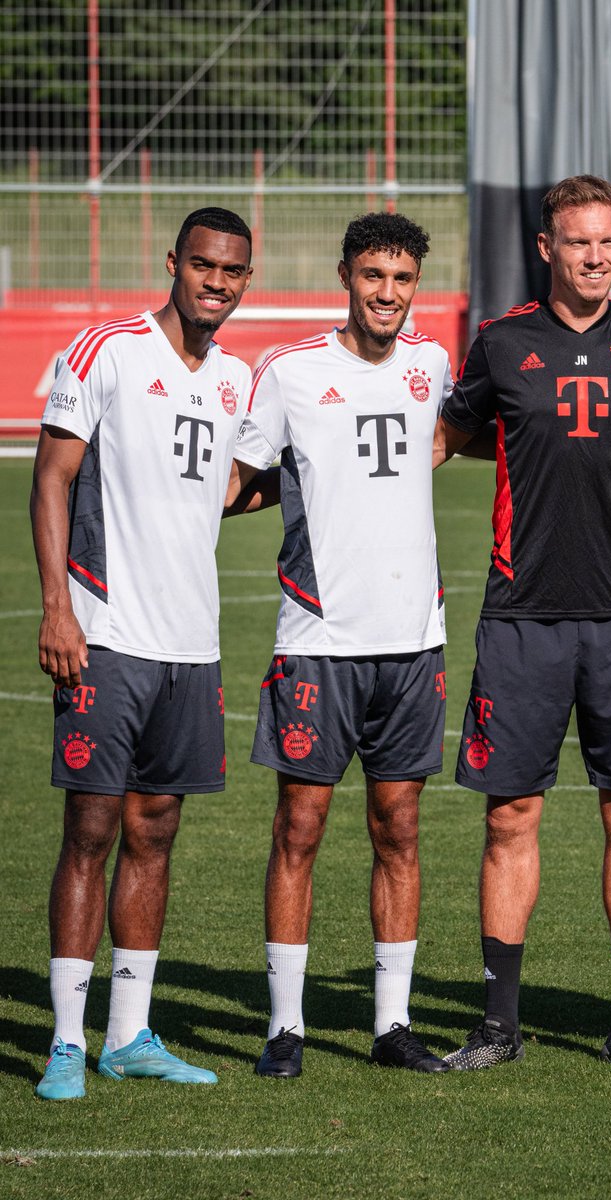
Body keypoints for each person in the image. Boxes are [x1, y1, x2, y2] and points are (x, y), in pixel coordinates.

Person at [433, 175, 611, 1073]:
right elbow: (450, 435)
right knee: (511, 816)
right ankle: (498, 1026)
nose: (595, 257)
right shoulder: (503, 343)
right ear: (546, 249)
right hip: (522, 615)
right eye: (577, 242)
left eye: (609, 242)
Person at [30, 208, 254, 1100]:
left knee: (155, 833)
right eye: (203, 265)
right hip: (107, 634)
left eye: (233, 271)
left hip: (191, 646)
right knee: (90, 830)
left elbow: (227, 488)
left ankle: (129, 1033)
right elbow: (52, 473)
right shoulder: (107, 350)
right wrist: (58, 608)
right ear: (174, 264)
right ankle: (65, 1042)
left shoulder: (237, 379)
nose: (216, 282)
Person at [229, 212, 452, 1077]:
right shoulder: (286, 372)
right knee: (300, 826)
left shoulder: (433, 365)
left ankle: (390, 1025)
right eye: (372, 277)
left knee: (399, 827)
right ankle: (285, 1026)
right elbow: (243, 481)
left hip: (413, 643)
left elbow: (450, 436)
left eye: (401, 279)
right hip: (317, 641)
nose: (386, 294)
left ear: (414, 285)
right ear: (345, 277)